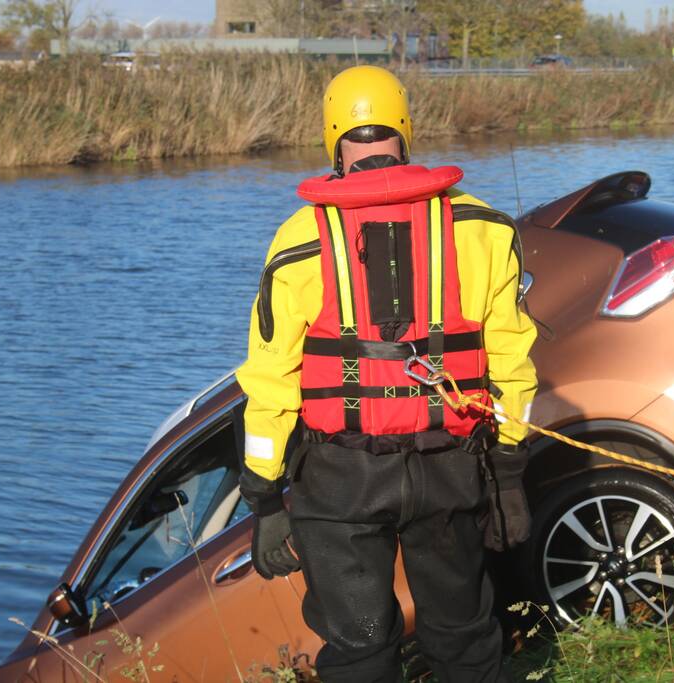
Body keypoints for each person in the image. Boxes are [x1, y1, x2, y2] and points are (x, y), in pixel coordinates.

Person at [236, 65, 537, 683]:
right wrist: (508, 471)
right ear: (405, 128)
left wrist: (264, 497)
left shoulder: (297, 239)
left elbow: (270, 379)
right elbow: (512, 360)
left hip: (340, 481)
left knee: (361, 650)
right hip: (450, 467)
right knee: (464, 640)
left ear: (332, 136)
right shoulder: (482, 226)